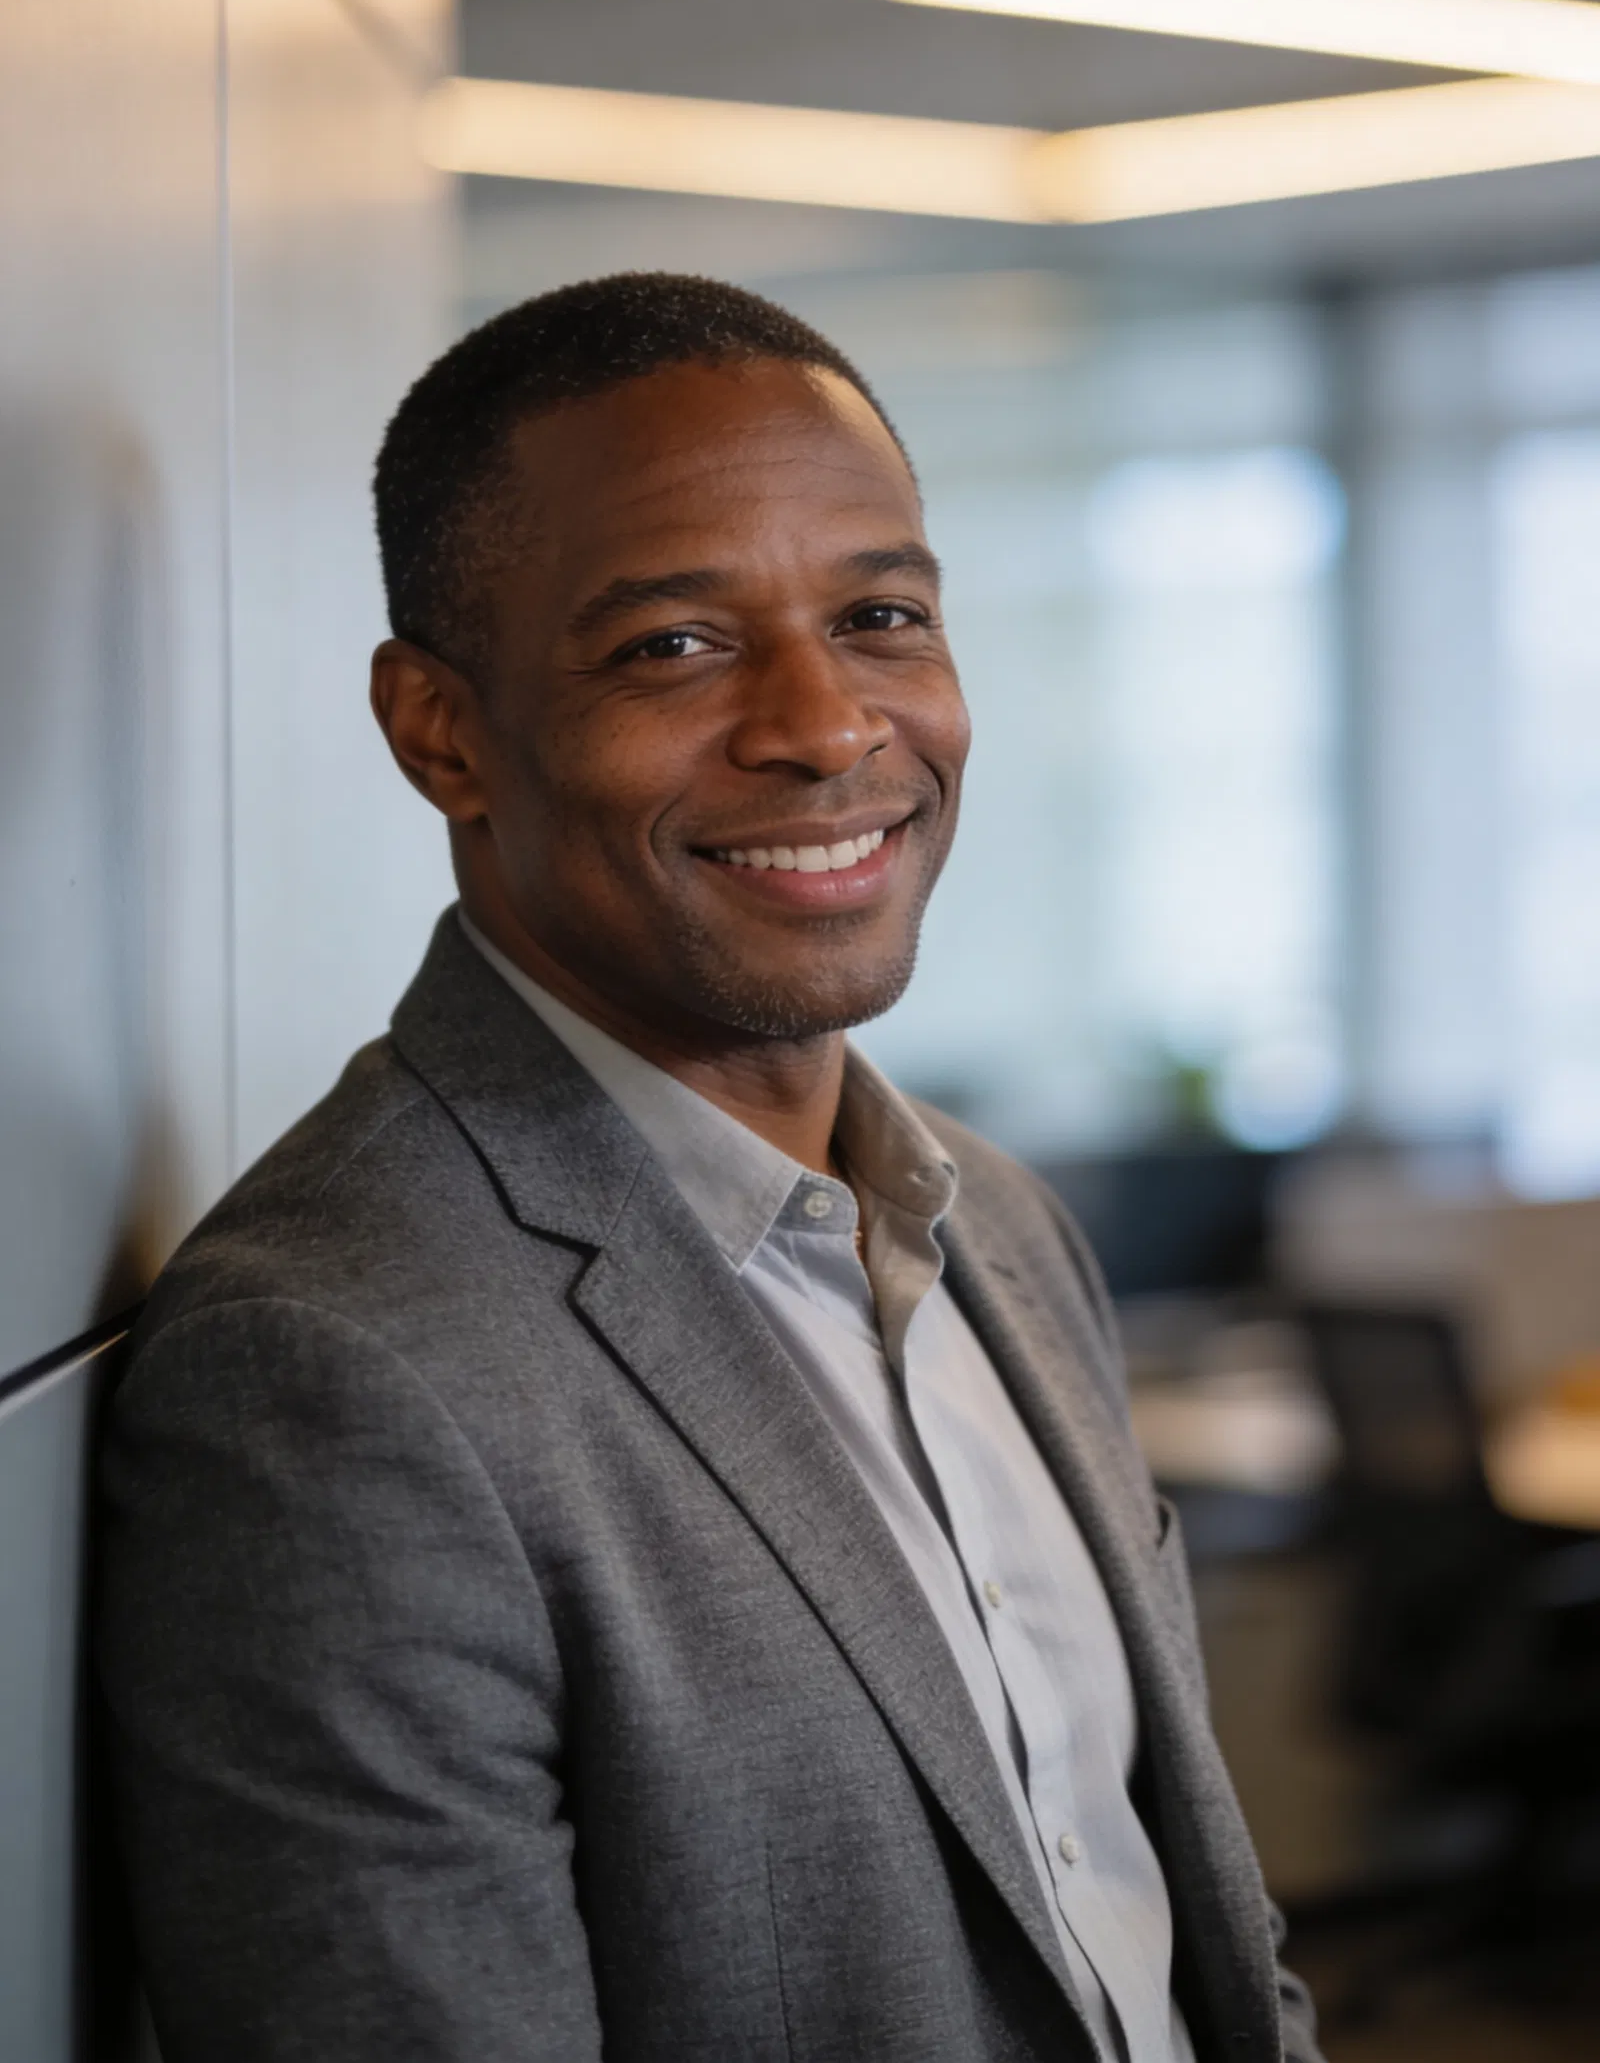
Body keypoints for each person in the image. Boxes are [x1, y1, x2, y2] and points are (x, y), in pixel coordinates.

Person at [99, 272, 1321, 2063]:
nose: (827, 727)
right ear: (442, 731)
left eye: (883, 614)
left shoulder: (1004, 1222)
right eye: (674, 645)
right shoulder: (334, 1371)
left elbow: (1169, 1923)